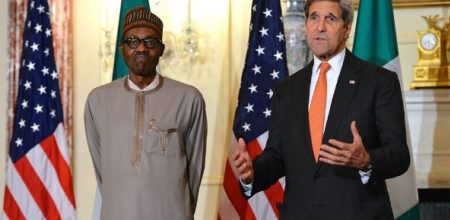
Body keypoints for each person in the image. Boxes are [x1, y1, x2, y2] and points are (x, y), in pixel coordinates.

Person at [230, 0, 410, 219]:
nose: (320, 26)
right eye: (314, 17)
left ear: (347, 28)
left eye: (330, 19)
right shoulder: (286, 89)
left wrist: (366, 160)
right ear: (306, 24)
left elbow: (399, 155)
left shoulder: (379, 81)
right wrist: (252, 174)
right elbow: (277, 156)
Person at [84, 7, 207, 220]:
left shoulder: (189, 99)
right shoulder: (98, 100)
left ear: (161, 49)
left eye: (150, 42)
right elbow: (101, 169)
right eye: (132, 41)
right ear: (122, 49)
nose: (141, 48)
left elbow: (194, 171)